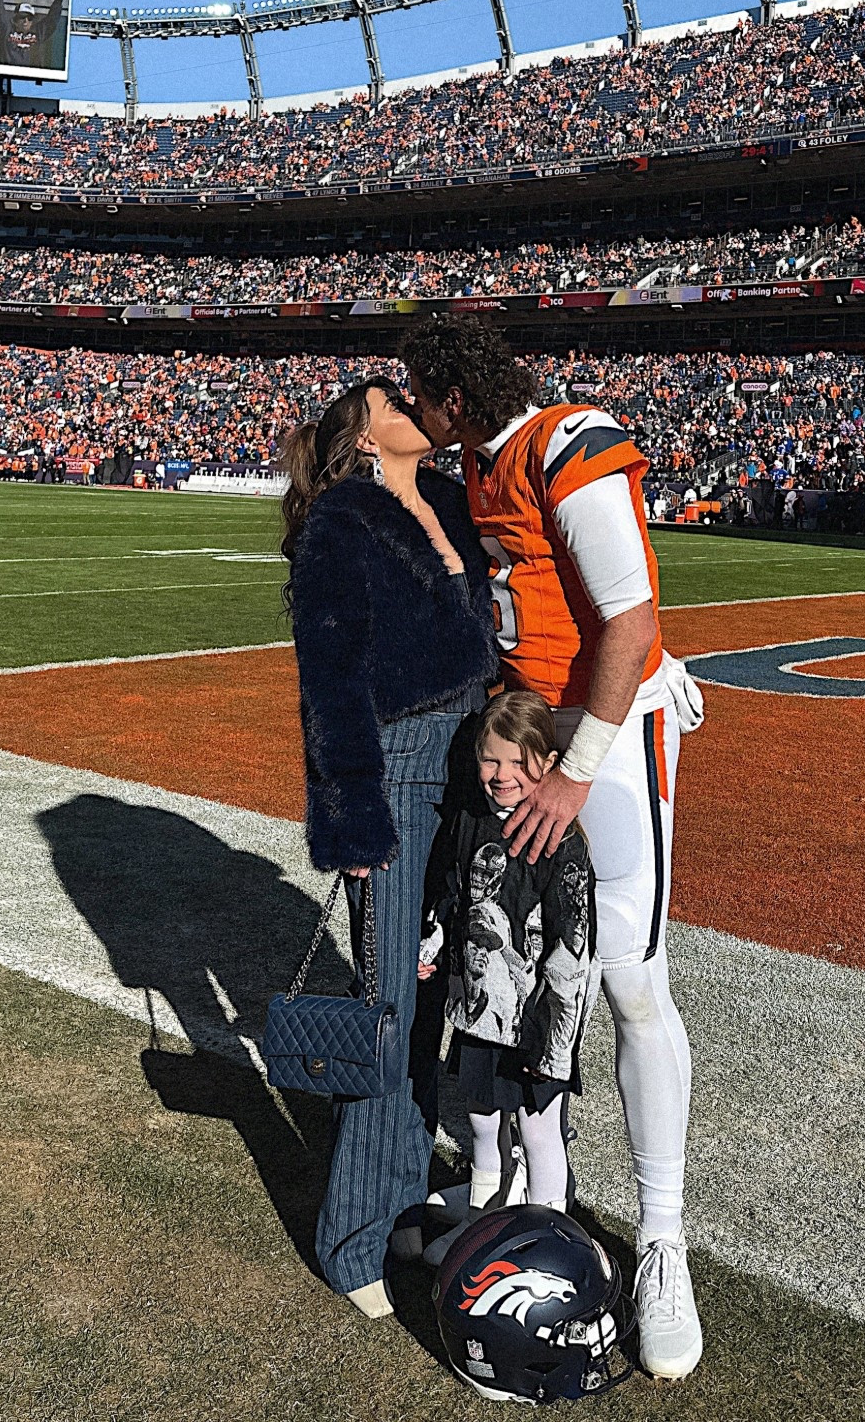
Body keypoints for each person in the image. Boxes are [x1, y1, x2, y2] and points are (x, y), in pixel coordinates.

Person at [403, 317, 705, 1382]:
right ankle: (526, 1192)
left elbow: (630, 620)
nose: (420, 418)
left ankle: (661, 1240)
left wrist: (574, 767)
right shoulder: (491, 466)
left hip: (606, 740)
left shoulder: (566, 440)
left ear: (458, 391)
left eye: (422, 396)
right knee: (529, 975)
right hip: (533, 736)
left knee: (629, 976)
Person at [281, 376, 495, 1321]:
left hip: (469, 763)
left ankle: (405, 1202)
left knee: (434, 996)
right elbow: (327, 679)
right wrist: (351, 818)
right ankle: (353, 1237)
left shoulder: (451, 498)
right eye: (391, 398)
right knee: (386, 1000)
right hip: (399, 766)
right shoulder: (342, 525)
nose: (413, 404)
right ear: (365, 435)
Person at [417, 690, 598, 1258]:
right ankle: (481, 1226)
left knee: (540, 1132)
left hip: (536, 1023)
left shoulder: (561, 841)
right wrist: (438, 940)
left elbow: (573, 950)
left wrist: (555, 1037)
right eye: (491, 760)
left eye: (520, 762)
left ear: (547, 763)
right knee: (480, 1123)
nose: (503, 775)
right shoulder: (471, 819)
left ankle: (548, 1242)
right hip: (479, 1013)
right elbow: (458, 896)